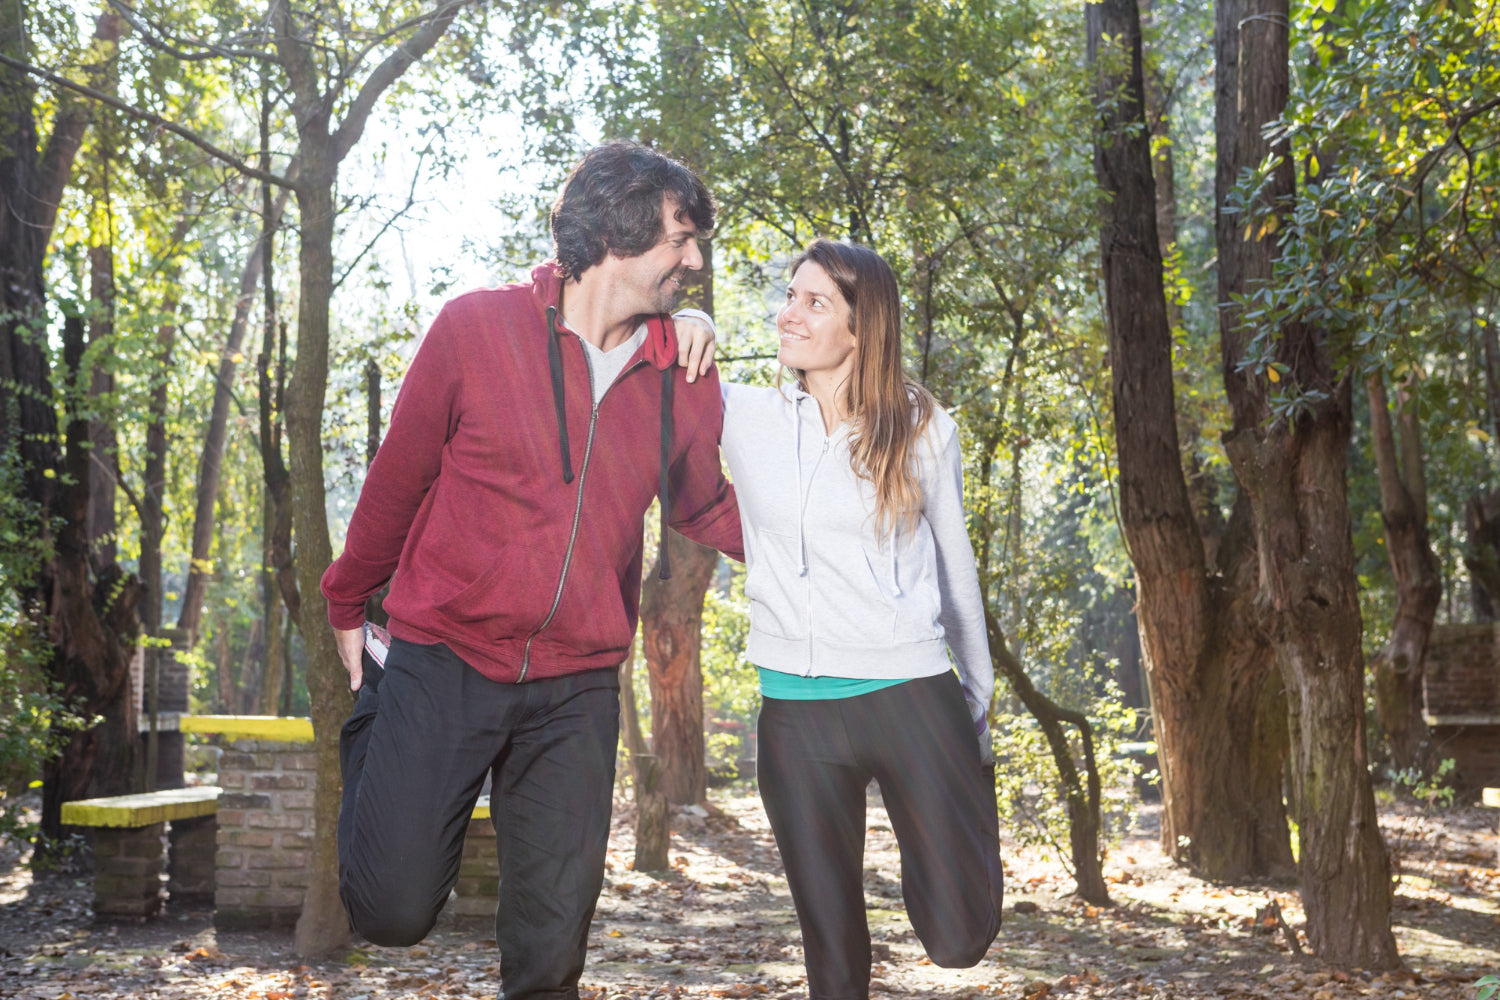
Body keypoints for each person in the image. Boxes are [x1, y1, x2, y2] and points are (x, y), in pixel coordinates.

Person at [321, 141, 743, 1000]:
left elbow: (704, 508)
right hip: (445, 654)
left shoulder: (681, 378)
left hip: (577, 681)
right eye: (680, 239)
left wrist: (833, 534)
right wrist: (346, 599)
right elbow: (399, 477)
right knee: (390, 910)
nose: (695, 261)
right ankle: (383, 711)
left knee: (552, 954)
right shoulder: (476, 329)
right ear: (618, 238)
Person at [719, 239, 1004, 999]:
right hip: (795, 716)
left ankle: (968, 803)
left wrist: (975, 704)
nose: (790, 314)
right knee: (833, 958)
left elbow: (955, 567)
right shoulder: (742, 415)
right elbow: (651, 367)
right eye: (789, 295)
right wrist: (685, 314)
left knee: (958, 937)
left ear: (861, 326)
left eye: (816, 302)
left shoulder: (920, 427)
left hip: (909, 697)